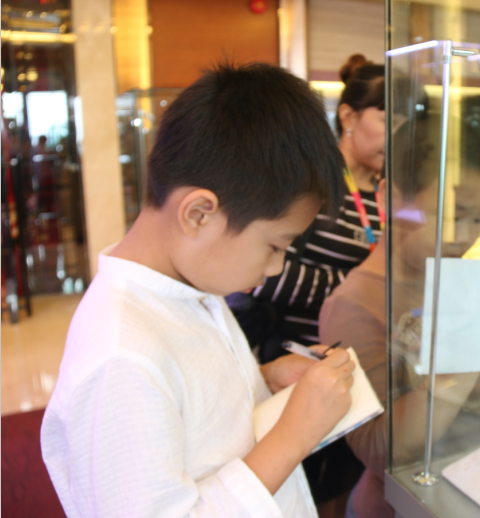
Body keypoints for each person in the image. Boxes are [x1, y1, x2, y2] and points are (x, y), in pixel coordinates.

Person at [40, 63, 356, 518]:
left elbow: (190, 418)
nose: (276, 267)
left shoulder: (190, 284)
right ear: (198, 214)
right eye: (275, 246)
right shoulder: (120, 358)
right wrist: (295, 435)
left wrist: (263, 381)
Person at [319, 119, 480, 518]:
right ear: (389, 198)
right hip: (409, 503)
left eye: (478, 218)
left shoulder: (463, 278)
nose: (463, 236)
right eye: (450, 215)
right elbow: (379, 449)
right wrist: (458, 369)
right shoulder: (353, 304)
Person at [229, 53, 383, 515]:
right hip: (296, 356)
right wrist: (355, 288)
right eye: (385, 116)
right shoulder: (313, 184)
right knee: (300, 486)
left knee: (345, 482)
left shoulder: (385, 191)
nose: (396, 131)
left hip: (353, 361)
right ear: (348, 116)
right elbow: (265, 277)